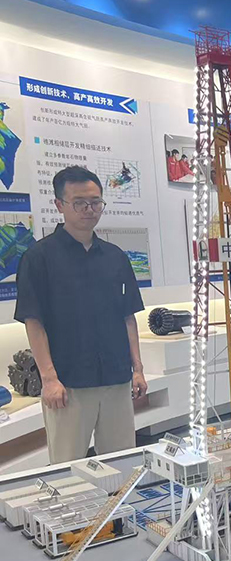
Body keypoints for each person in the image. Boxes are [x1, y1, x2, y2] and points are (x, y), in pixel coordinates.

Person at [14, 166, 147, 463]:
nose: (89, 209)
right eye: (79, 203)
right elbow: (34, 322)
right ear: (59, 205)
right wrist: (49, 379)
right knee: (67, 468)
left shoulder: (115, 257)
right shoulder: (38, 258)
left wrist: (137, 369)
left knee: (123, 464)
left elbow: (128, 317)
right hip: (68, 384)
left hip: (116, 379)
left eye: (95, 202)